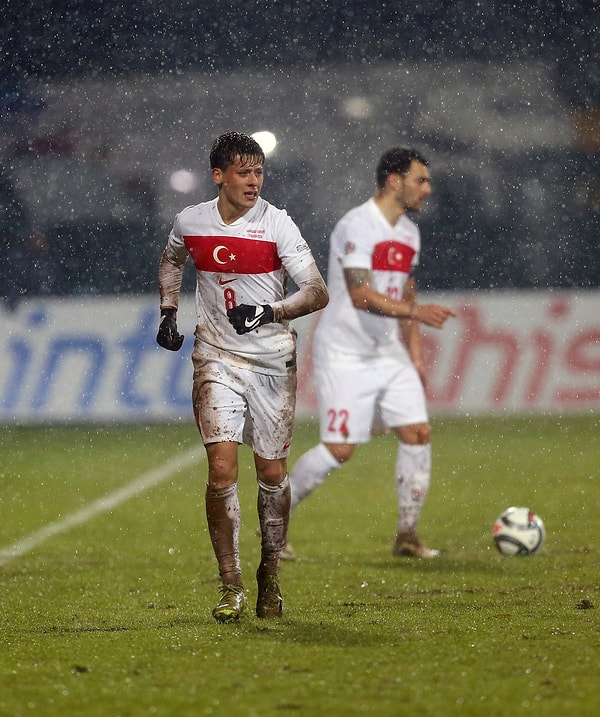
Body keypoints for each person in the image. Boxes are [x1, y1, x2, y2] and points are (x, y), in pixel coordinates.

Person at [156, 131, 328, 622]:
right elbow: (172, 259)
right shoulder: (191, 220)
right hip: (215, 357)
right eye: (244, 172)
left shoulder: (277, 224)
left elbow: (316, 292)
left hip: (272, 360)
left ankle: (268, 573)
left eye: (259, 172)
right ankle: (229, 583)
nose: (254, 181)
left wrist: (269, 312)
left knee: (271, 473)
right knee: (221, 470)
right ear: (219, 175)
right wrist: (168, 312)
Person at [285, 147, 455, 560]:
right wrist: (416, 313)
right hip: (344, 352)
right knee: (340, 450)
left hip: (387, 352)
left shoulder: (409, 233)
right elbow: (361, 295)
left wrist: (414, 354)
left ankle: (407, 536)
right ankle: (274, 520)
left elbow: (405, 290)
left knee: (418, 432)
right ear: (394, 181)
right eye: (421, 180)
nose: (427, 189)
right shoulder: (357, 226)